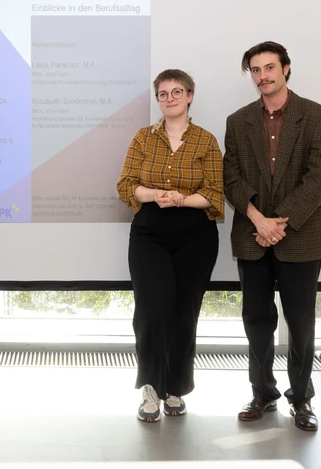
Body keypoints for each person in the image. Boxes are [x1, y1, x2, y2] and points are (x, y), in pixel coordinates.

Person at [223, 41, 321, 432]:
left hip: (300, 236)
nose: (262, 76)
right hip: (252, 235)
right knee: (256, 318)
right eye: (255, 70)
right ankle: (263, 392)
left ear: (286, 69)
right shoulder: (238, 122)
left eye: (269, 68)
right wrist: (258, 218)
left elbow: (318, 180)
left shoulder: (320, 117)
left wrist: (277, 224)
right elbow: (231, 178)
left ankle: (302, 399)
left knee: (301, 321)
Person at [116, 69, 225, 422]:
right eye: (163, 94)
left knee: (183, 313)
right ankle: (150, 388)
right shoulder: (143, 138)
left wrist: (182, 199)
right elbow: (125, 185)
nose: (170, 99)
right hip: (150, 231)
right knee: (150, 311)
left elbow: (215, 196)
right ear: (158, 99)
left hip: (196, 234)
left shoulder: (206, 141)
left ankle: (176, 388)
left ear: (190, 96)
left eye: (177, 92)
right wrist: (154, 195)